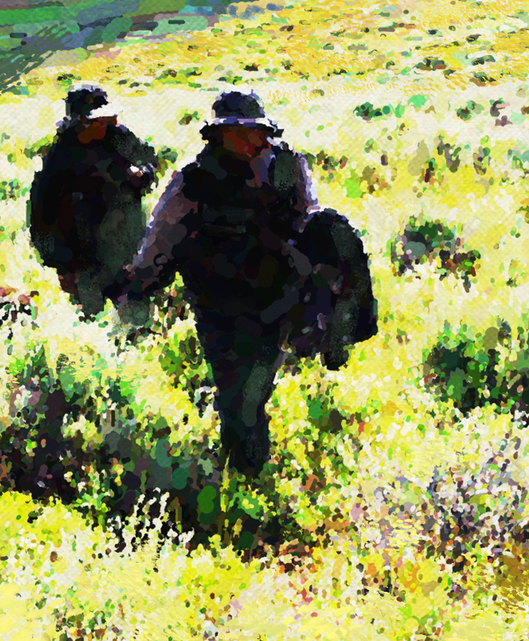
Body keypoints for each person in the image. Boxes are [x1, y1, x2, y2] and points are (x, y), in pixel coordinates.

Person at [115, 90, 376, 477]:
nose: (246, 139)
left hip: (280, 291)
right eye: (235, 131)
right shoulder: (194, 182)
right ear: (218, 136)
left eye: (252, 130)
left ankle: (336, 334)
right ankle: (244, 476)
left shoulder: (287, 167)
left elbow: (308, 220)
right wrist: (137, 286)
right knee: (240, 398)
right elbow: (162, 240)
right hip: (223, 302)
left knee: (335, 230)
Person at [28, 84, 159, 318]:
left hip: (126, 244)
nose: (101, 125)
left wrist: (141, 174)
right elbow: (42, 217)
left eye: (104, 119)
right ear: (78, 122)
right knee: (92, 315)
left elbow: (150, 163)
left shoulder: (119, 137)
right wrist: (61, 266)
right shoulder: (61, 156)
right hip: (81, 255)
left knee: (134, 309)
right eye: (94, 121)